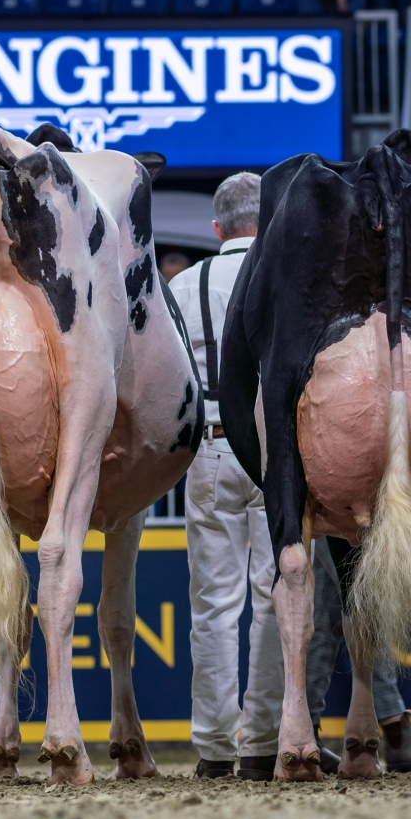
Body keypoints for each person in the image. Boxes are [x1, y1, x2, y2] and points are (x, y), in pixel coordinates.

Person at [168, 174, 288, 780]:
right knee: (275, 595)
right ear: (269, 221)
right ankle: (262, 742)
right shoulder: (285, 276)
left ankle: (215, 747)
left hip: (210, 446)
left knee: (213, 602)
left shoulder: (182, 285)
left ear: (216, 228)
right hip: (275, 449)